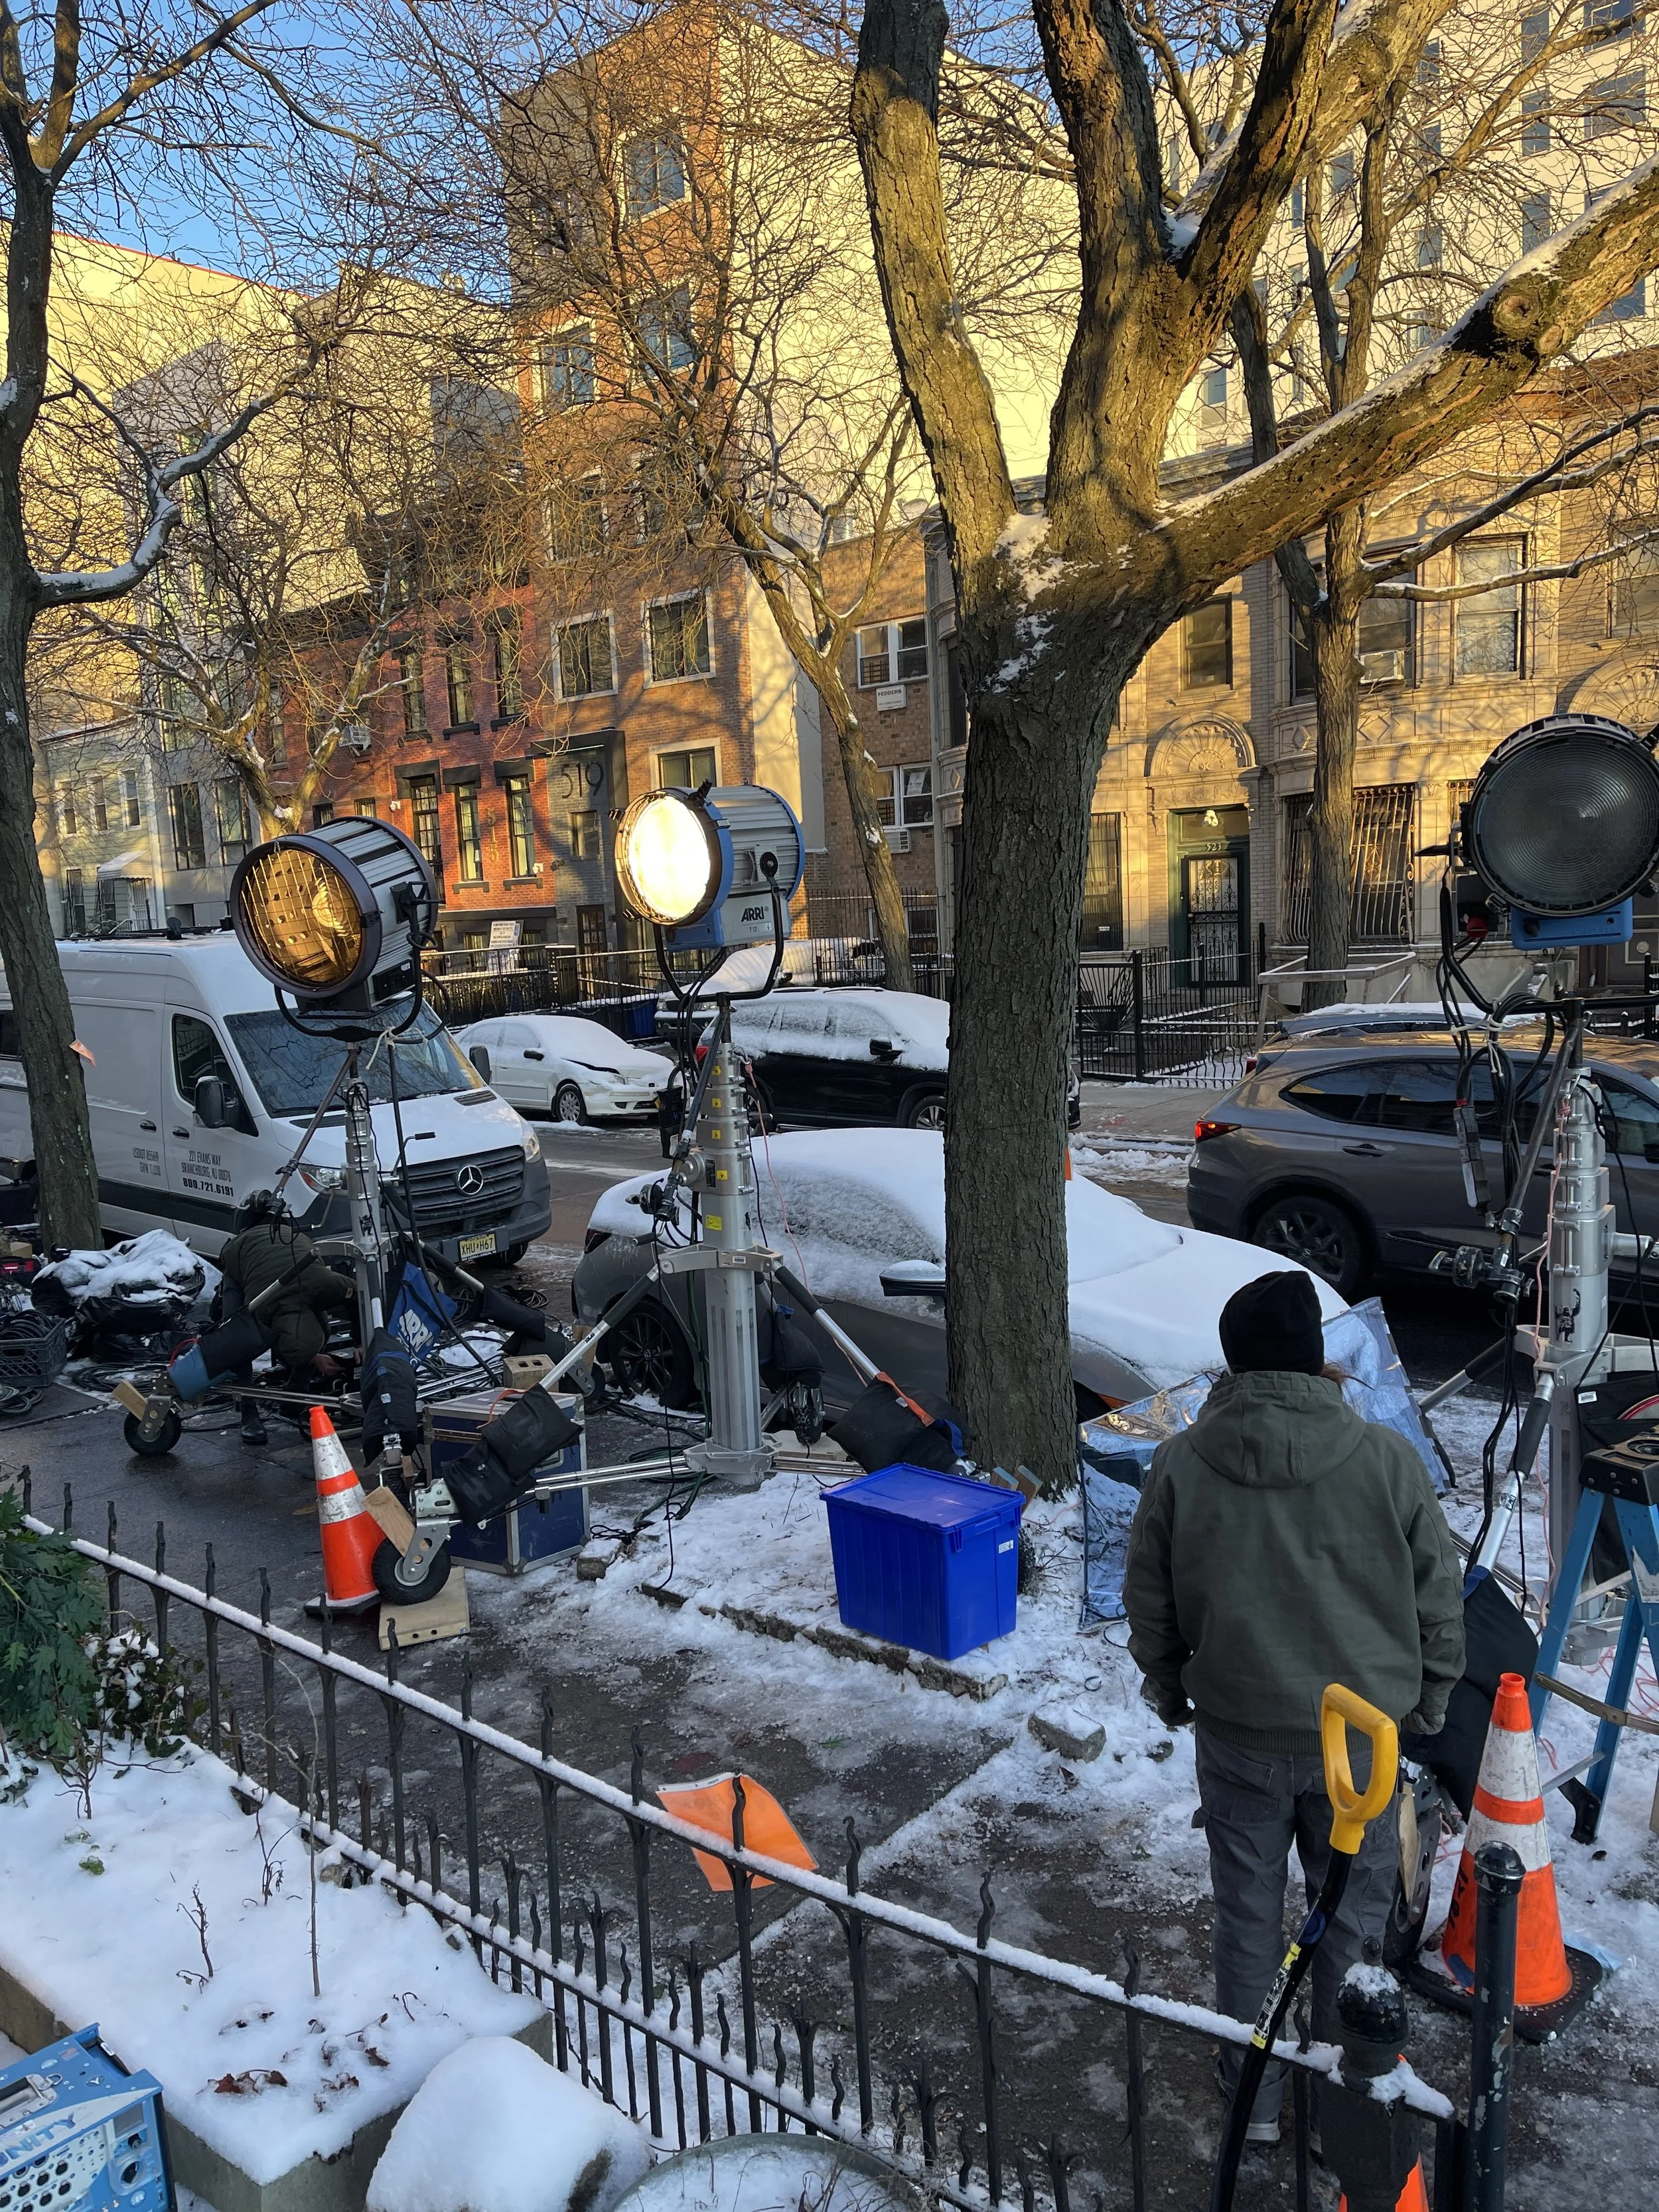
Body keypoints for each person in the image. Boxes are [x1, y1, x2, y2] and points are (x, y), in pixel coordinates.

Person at [1123, 1268, 1463, 2146]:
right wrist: (1426, 1704)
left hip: (1238, 1733)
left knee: (1246, 1918)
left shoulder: (1181, 1460)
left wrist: (1167, 1685)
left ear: (1233, 1363)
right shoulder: (1386, 1459)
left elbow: (1149, 1597)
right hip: (1362, 1745)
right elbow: (1437, 1597)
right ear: (1318, 1362)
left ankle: (1258, 2105)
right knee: (1349, 1924)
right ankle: (1349, 2101)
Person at [216, 1191, 357, 1445]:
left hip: (289, 1285)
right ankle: (271, 1402)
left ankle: (276, 1400)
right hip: (262, 1277)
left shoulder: (321, 1286)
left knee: (238, 1338)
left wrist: (360, 1344)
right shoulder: (260, 1309)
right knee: (241, 1334)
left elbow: (234, 1320)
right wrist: (361, 1344)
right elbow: (359, 1295)